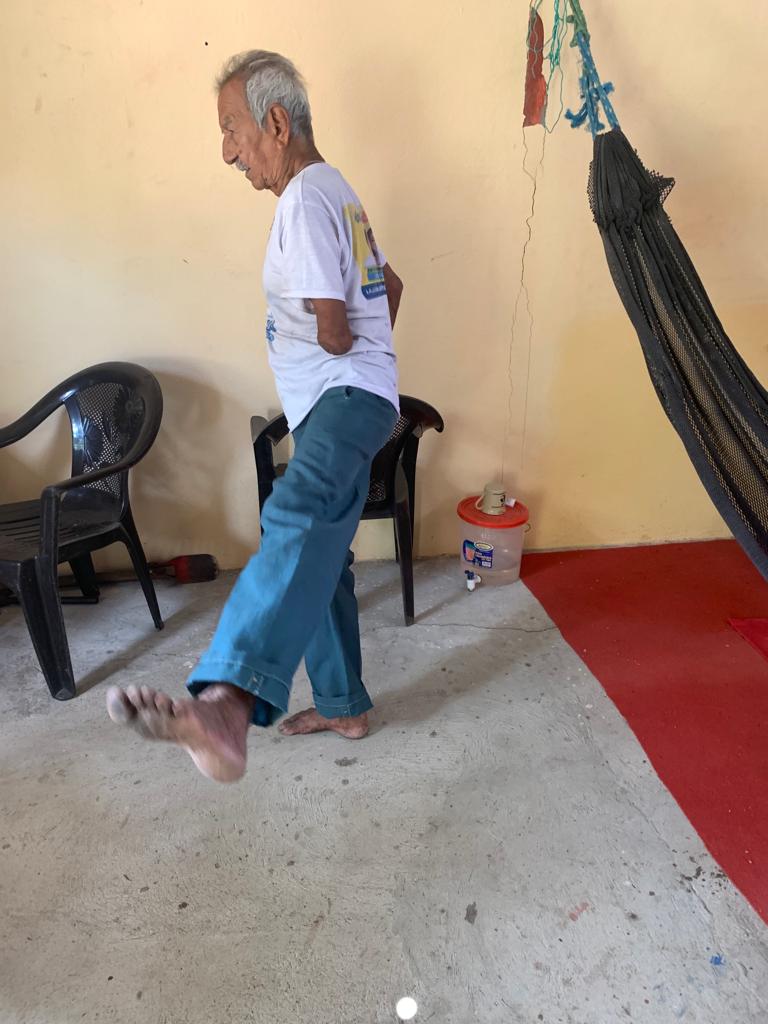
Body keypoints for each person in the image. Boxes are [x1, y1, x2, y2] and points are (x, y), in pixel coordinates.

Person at [106, 50, 403, 783]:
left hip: (340, 401)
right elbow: (390, 287)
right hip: (355, 399)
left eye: (232, 128)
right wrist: (368, 366)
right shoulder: (338, 190)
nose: (228, 151)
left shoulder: (303, 198)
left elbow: (335, 327)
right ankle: (343, 705)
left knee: (294, 518)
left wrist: (343, 361)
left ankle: (227, 703)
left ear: (275, 122)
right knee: (324, 557)